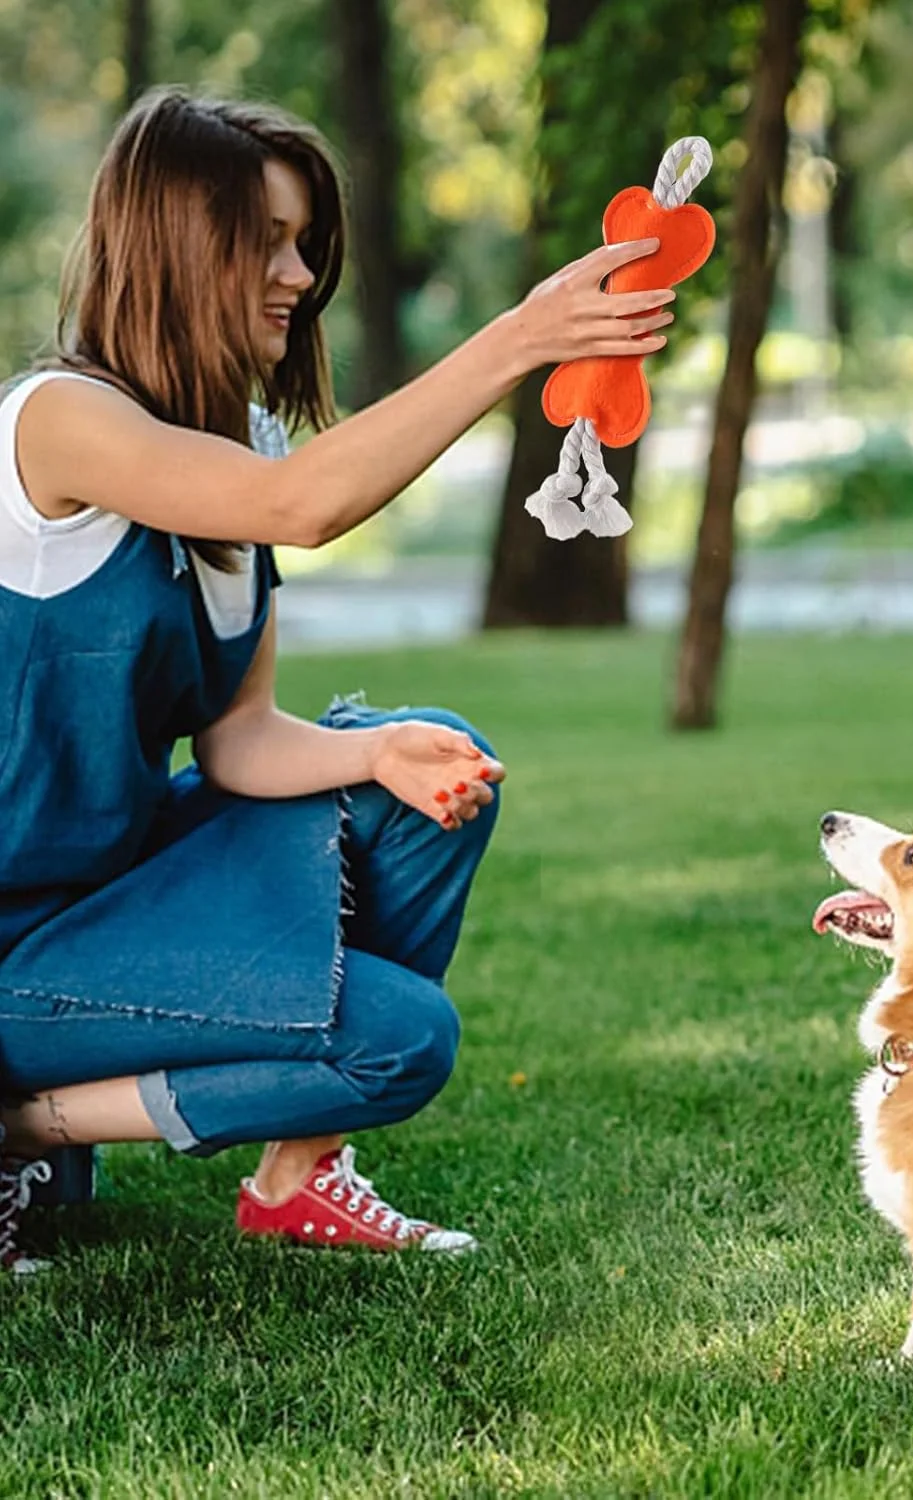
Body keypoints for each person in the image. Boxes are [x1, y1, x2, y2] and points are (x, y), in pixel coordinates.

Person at [0, 87, 675, 1271]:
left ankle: (292, 1176)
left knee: (431, 766)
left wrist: (375, 752)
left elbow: (240, 740)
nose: (300, 275)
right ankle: (21, 1128)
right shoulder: (55, 423)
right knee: (400, 1039)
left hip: (116, 893)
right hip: (16, 941)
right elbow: (301, 506)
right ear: (177, 245)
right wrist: (523, 338)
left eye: (305, 243)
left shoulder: (242, 440)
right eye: (267, 241)